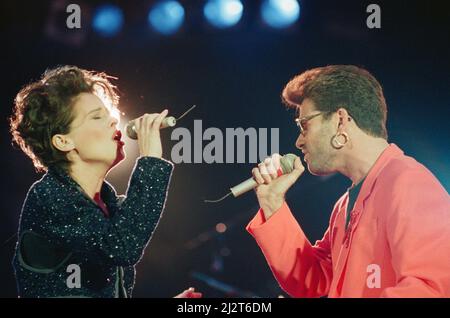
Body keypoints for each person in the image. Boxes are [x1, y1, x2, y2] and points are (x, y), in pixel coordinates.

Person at [247, 65, 450, 297]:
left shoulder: (409, 182)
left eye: (304, 125)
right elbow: (314, 279)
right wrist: (272, 201)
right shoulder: (345, 204)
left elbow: (432, 288)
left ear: (340, 120)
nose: (298, 142)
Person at [9, 65, 201, 298]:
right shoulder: (50, 196)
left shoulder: (109, 206)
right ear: (63, 141)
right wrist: (150, 161)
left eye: (108, 112)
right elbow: (121, 247)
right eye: (97, 117)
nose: (113, 120)